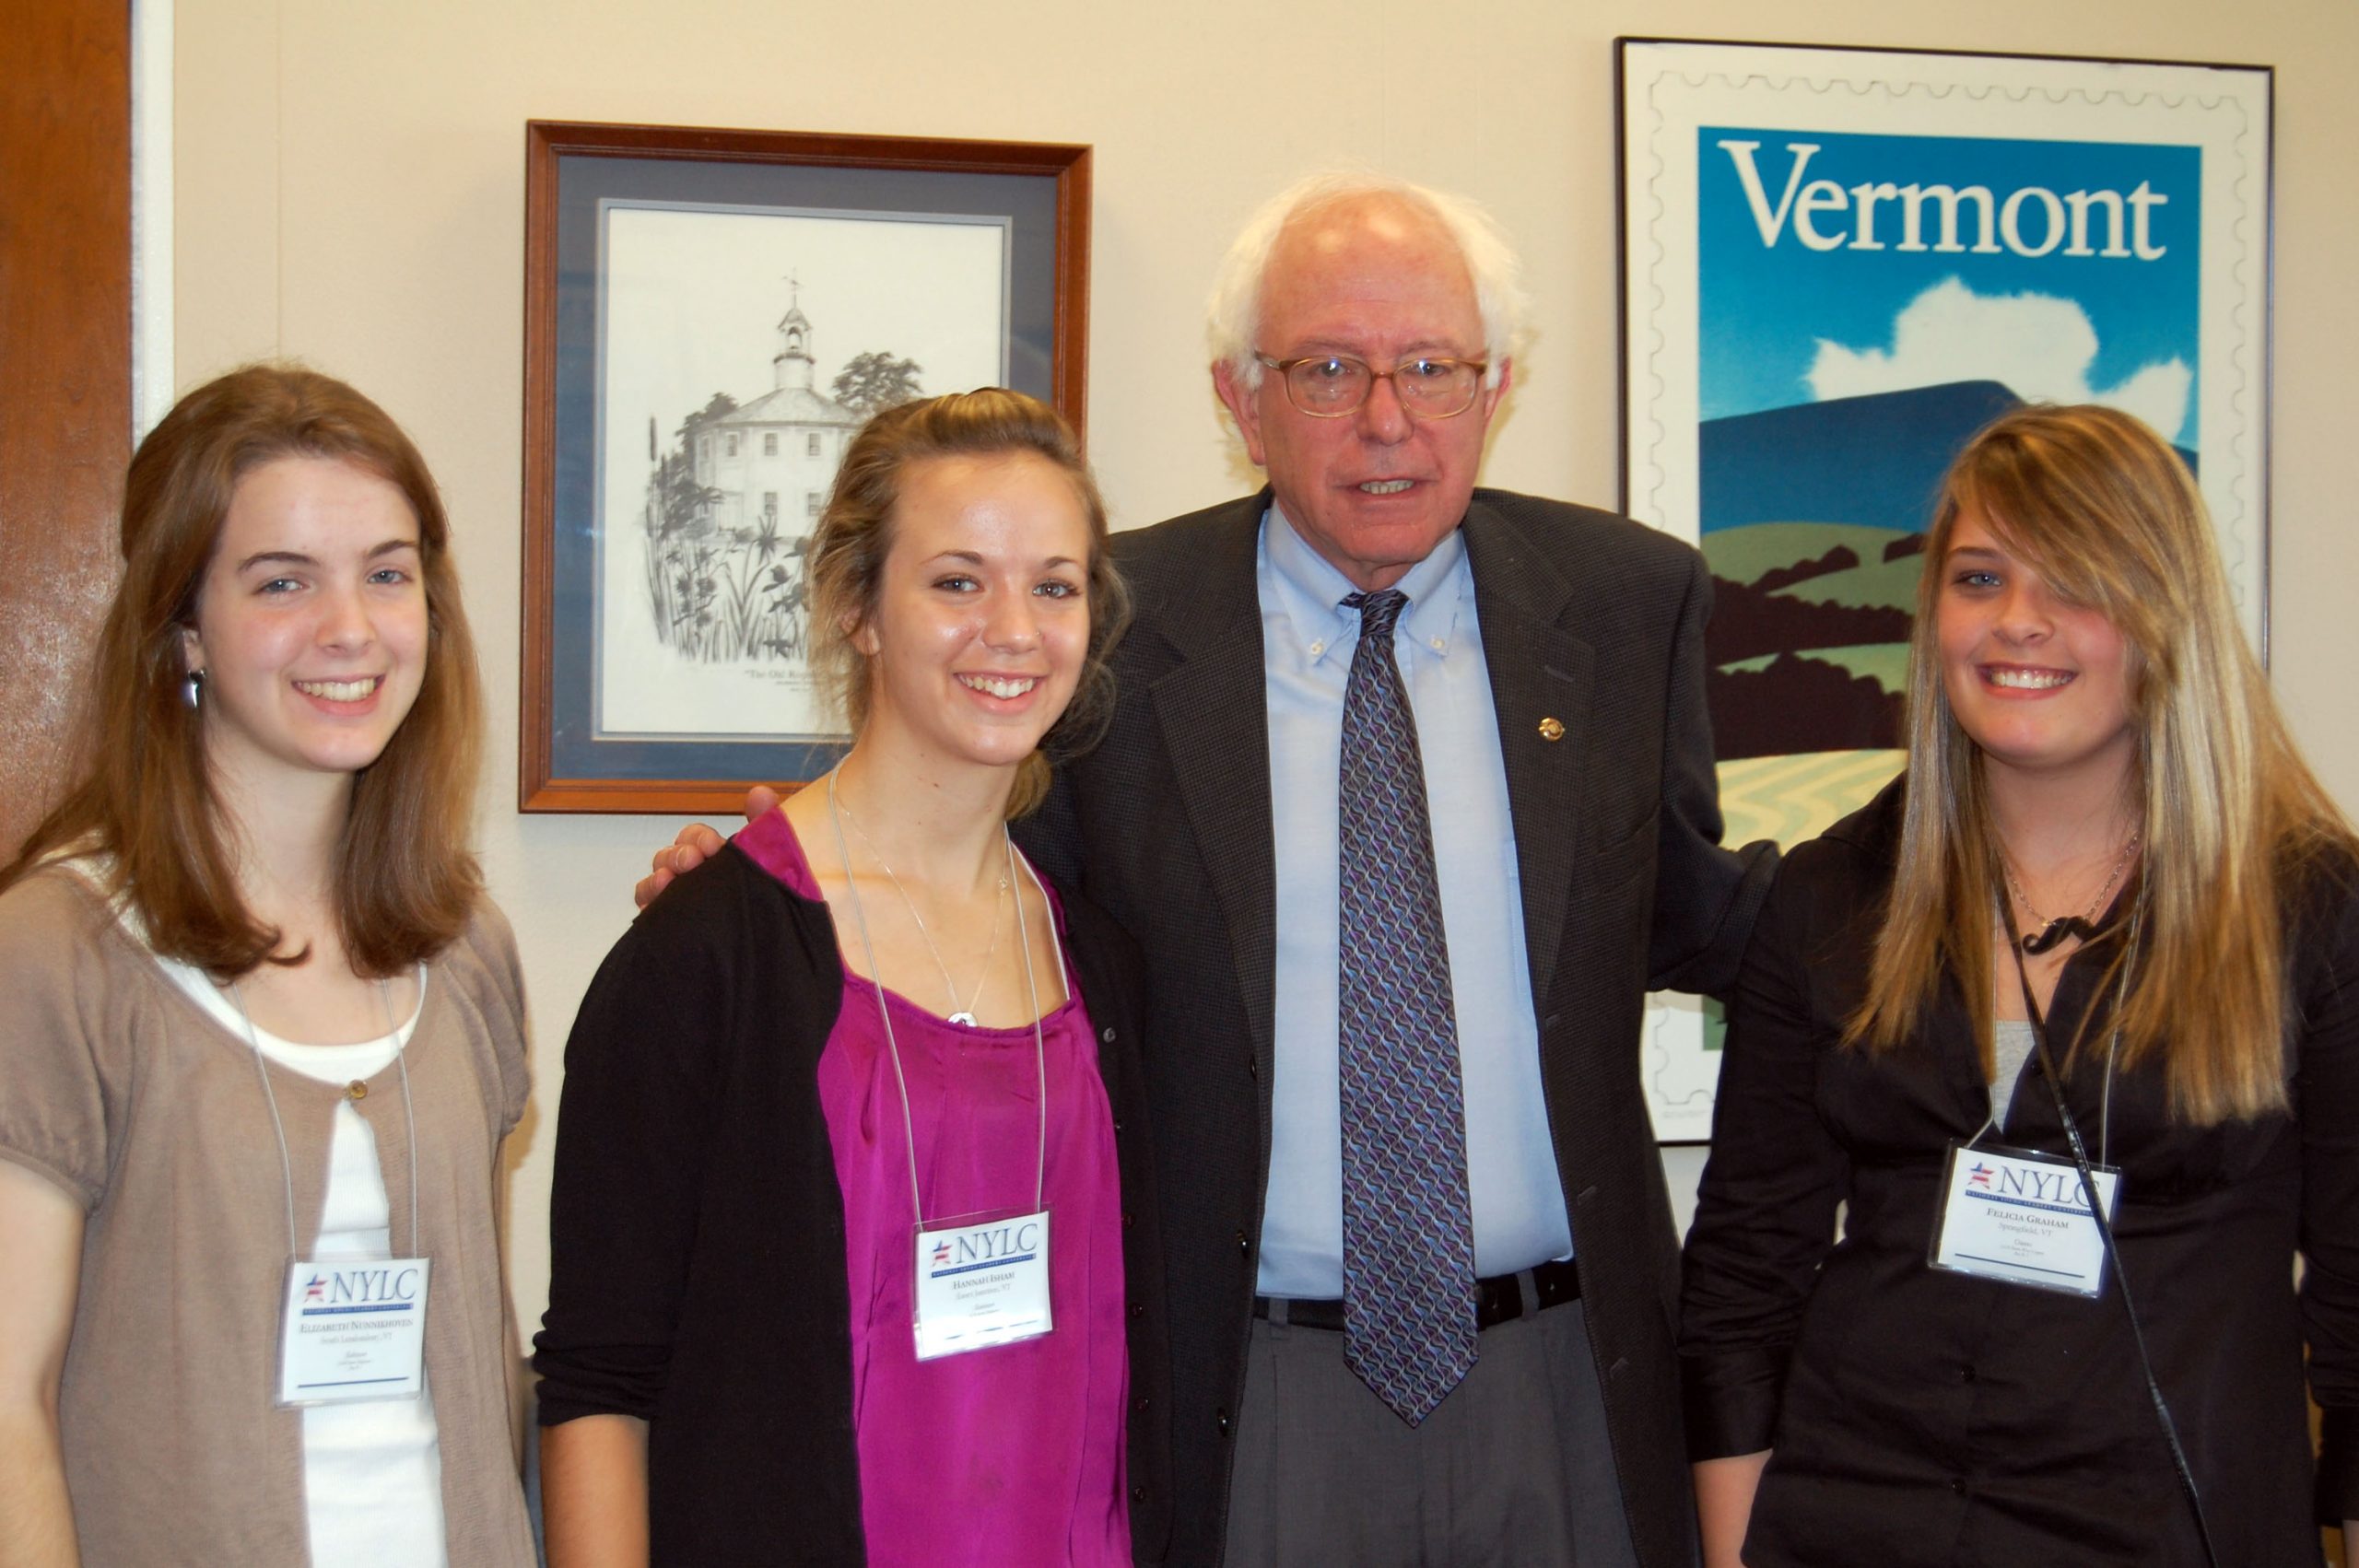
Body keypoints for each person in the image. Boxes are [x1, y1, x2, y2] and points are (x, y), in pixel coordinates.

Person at [639, 173, 1774, 1568]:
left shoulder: (1620, 601)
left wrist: (1995, 875)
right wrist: (760, 890)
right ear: (1239, 399)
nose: (1385, 417)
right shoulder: (1103, 622)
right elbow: (955, 872)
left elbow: (1703, 913)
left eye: (1432, 366)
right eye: (1325, 369)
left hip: (1566, 1381)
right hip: (1248, 1398)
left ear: (1499, 385)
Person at [1679, 404, 2359, 1566]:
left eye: (2076, 582)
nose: (2017, 624)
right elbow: (1743, 1284)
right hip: (1855, 1520)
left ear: (2166, 618)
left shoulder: (2306, 907)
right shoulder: (1831, 892)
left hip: (2173, 1524)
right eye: (1980, 577)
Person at [534, 389, 1169, 1567]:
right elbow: (597, 1380)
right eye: (956, 580)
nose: (1014, 630)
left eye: (1054, 584)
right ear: (854, 608)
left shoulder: (1104, 964)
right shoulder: (707, 955)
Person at [0, 365, 535, 1566]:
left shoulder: (464, 950)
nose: (351, 628)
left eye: (388, 574)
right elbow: (6, 1410)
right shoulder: (55, 959)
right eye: (283, 581)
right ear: (183, 624)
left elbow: (474, 1347)